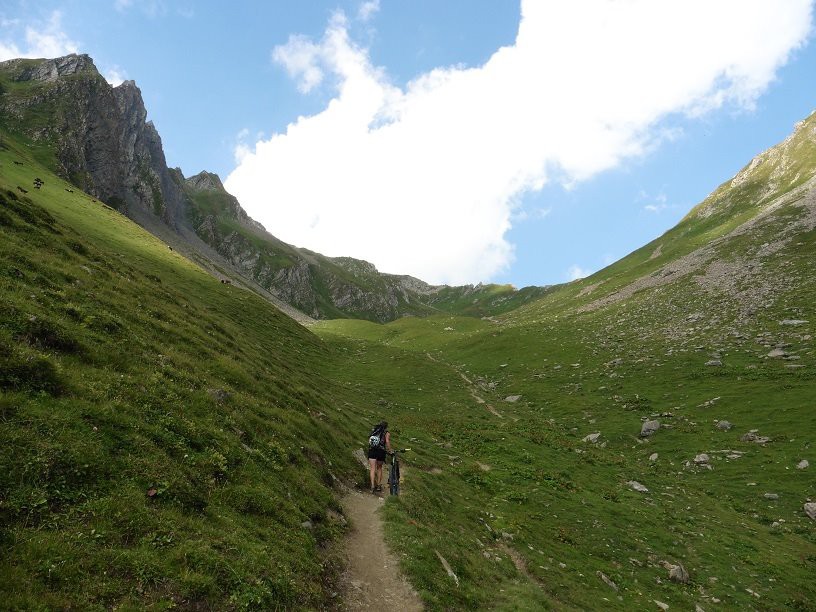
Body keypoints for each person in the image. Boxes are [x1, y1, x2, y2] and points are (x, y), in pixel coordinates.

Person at [367, 421, 391, 494]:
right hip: (381, 452)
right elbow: (387, 441)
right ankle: (378, 485)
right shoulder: (386, 433)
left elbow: (369, 440)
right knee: (379, 468)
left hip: (372, 451)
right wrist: (390, 450)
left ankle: (372, 486)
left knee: (372, 468)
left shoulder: (374, 430)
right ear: (386, 426)